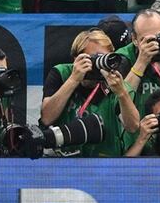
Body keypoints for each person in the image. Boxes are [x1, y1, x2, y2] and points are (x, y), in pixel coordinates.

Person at [41, 29, 141, 157]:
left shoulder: (114, 80)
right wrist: (74, 79)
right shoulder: (62, 73)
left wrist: (121, 93)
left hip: (106, 160)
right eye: (94, 58)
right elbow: (47, 118)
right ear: (76, 58)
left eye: (103, 58)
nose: (99, 65)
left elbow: (132, 126)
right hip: (66, 159)